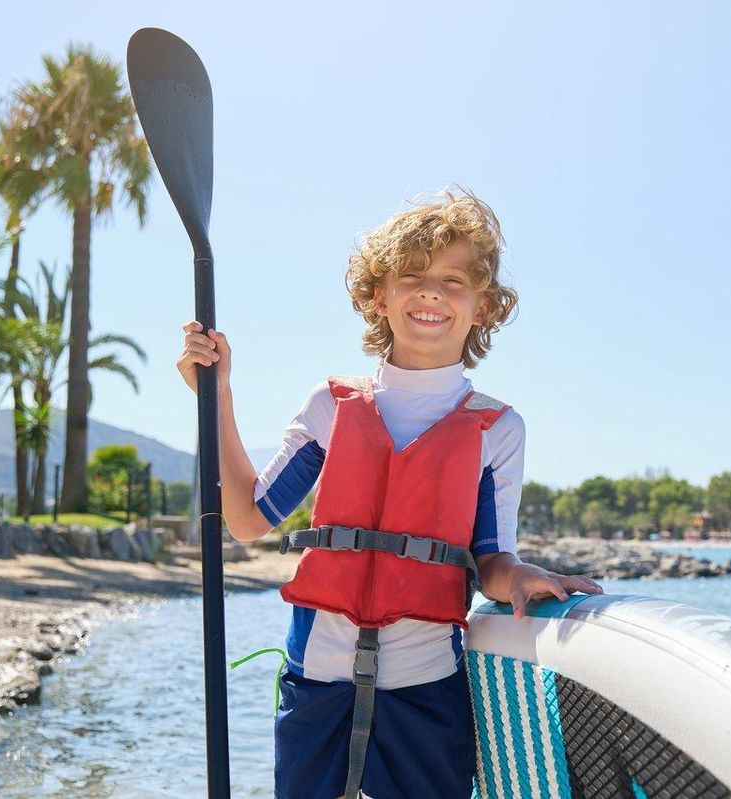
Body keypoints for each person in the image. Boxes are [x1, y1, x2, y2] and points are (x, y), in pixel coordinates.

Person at [177, 190, 602, 799]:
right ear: (380, 297)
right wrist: (215, 396)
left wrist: (525, 578)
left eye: (454, 280)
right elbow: (247, 519)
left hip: (426, 687)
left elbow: (491, 562)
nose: (432, 292)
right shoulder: (331, 406)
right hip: (316, 681)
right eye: (412, 276)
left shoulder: (498, 428)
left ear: (483, 307)